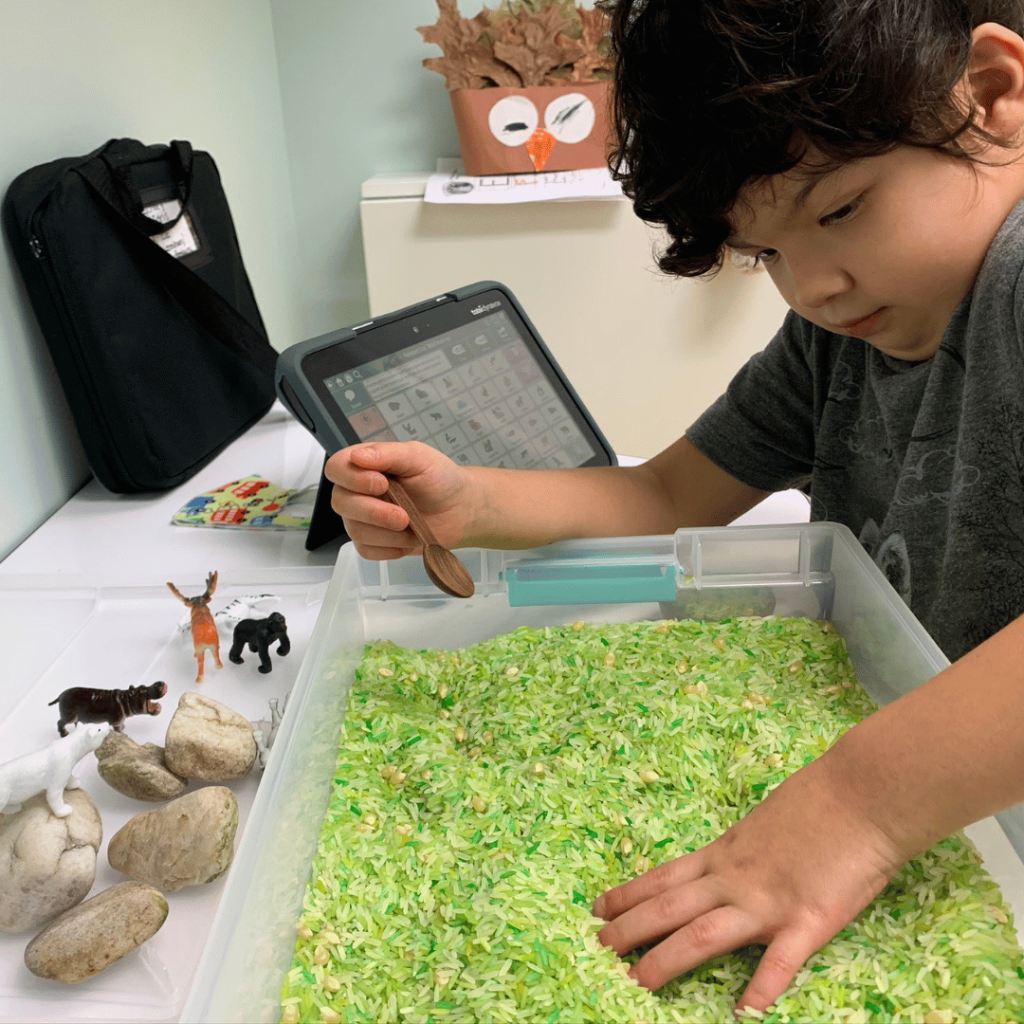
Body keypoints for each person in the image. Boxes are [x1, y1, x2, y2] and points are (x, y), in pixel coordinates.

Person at [327, 0, 1024, 1013]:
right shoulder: (847, 331)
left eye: (839, 210)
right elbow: (664, 492)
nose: (814, 286)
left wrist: (853, 809)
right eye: (764, 253)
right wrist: (471, 502)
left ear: (992, 94)